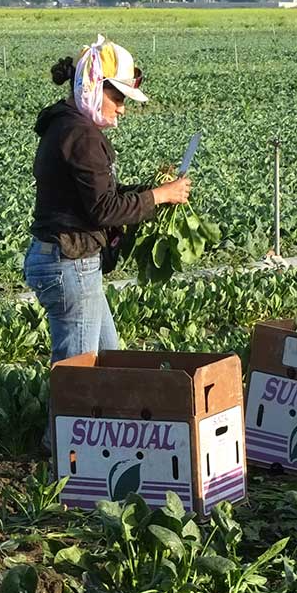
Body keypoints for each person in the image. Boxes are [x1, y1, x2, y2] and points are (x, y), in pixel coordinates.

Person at [27, 36, 193, 361]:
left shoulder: (67, 125)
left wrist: (152, 191)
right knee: (78, 375)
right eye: (116, 97)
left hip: (68, 260)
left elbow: (98, 196)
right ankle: (65, 414)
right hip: (69, 263)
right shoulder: (81, 135)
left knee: (107, 358)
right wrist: (157, 197)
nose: (122, 107)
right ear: (92, 86)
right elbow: (104, 209)